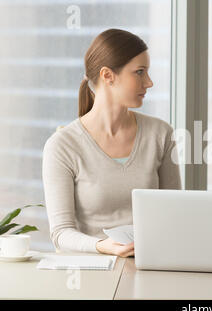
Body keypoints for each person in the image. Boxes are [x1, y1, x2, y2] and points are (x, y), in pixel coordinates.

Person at [42, 29, 181, 257]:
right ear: (108, 76)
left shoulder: (161, 134)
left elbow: (175, 214)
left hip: (152, 265)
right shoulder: (62, 146)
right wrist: (101, 246)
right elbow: (61, 233)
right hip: (92, 272)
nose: (149, 82)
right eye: (139, 72)